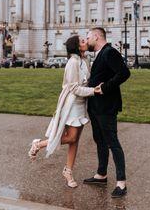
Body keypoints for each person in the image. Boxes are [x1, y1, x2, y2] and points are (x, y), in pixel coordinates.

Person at [28, 35, 102, 188]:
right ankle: (39, 144)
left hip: (82, 103)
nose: (86, 42)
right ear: (76, 46)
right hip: (72, 104)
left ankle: (68, 171)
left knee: (75, 140)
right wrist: (94, 91)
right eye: (82, 41)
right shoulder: (73, 62)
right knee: (71, 137)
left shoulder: (85, 60)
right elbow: (74, 88)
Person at [83, 27, 130, 198]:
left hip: (106, 107)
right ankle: (101, 174)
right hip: (96, 107)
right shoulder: (100, 54)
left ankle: (121, 183)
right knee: (99, 140)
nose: (86, 41)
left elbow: (124, 73)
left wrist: (105, 88)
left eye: (88, 37)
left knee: (112, 142)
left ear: (96, 37)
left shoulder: (110, 52)